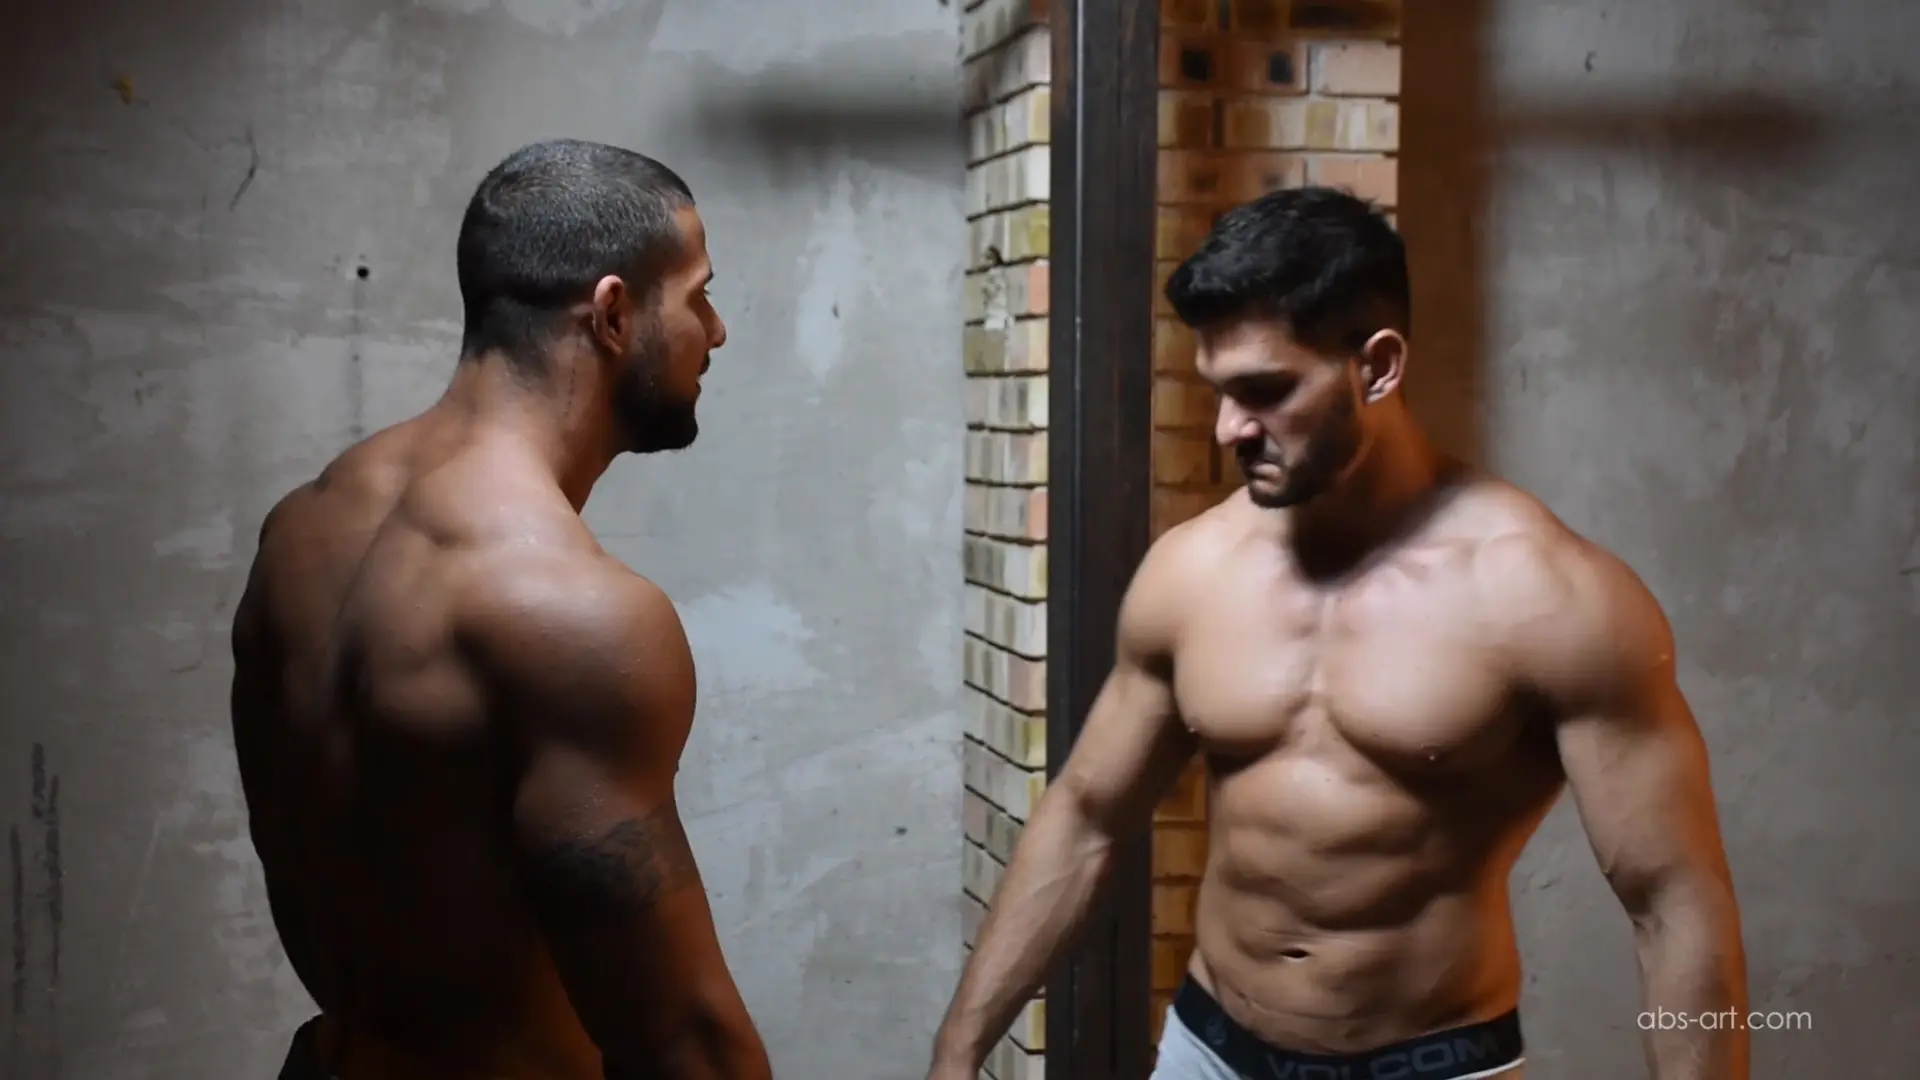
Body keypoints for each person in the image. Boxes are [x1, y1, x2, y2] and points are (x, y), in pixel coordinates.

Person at [926, 187, 1749, 1080]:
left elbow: (1673, 903)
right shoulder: (1192, 572)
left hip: (1433, 1064)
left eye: (1265, 391)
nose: (1228, 430)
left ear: (1378, 367)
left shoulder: (1549, 598)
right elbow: (1086, 817)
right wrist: (957, 1054)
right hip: (1211, 1053)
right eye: (1218, 392)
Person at [230, 139, 771, 1080]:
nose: (715, 331)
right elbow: (683, 1043)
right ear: (612, 313)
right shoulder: (570, 614)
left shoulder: (302, 529)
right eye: (698, 296)